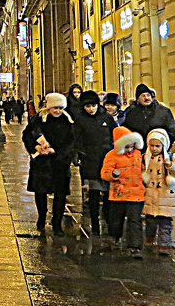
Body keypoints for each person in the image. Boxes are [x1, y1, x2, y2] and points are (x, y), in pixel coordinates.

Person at [22, 92, 77, 236]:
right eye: (55, 108)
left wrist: (57, 151)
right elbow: (27, 136)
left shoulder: (68, 121)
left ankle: (57, 223)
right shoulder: (38, 120)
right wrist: (36, 147)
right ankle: (41, 217)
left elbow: (72, 142)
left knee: (60, 194)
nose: (58, 111)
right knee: (40, 192)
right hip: (42, 163)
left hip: (60, 163)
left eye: (60, 108)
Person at [71, 90, 117, 237]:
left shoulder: (106, 118)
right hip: (90, 161)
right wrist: (78, 154)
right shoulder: (79, 120)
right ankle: (95, 224)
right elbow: (76, 139)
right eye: (88, 106)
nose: (91, 109)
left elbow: (115, 134)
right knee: (94, 194)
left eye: (93, 105)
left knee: (109, 193)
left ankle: (109, 221)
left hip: (107, 160)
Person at [101, 126, 145, 256]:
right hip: (118, 193)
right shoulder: (111, 155)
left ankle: (135, 245)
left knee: (135, 220)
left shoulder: (138, 155)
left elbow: (143, 169)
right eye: (127, 146)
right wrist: (113, 175)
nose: (130, 149)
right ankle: (115, 237)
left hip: (136, 193)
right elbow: (104, 173)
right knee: (116, 218)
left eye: (132, 146)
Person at [141, 128, 175, 256]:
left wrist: (170, 165)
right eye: (151, 145)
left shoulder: (171, 157)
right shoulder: (146, 158)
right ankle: (149, 238)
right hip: (150, 195)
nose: (154, 148)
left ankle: (164, 244)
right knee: (150, 221)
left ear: (163, 145)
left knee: (165, 223)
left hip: (166, 196)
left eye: (157, 146)